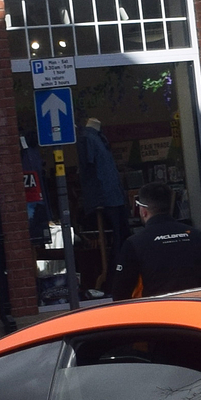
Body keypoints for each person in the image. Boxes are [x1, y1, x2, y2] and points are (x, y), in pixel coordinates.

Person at [117, 183, 201, 296]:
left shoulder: (134, 244)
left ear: (143, 211)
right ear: (170, 205)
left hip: (155, 310)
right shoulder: (198, 237)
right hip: (193, 308)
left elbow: (121, 292)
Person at [77, 117, 128, 293]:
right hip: (105, 198)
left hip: (111, 197)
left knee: (121, 239)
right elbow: (89, 172)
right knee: (117, 240)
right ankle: (113, 280)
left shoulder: (97, 138)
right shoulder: (88, 139)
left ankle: (117, 278)